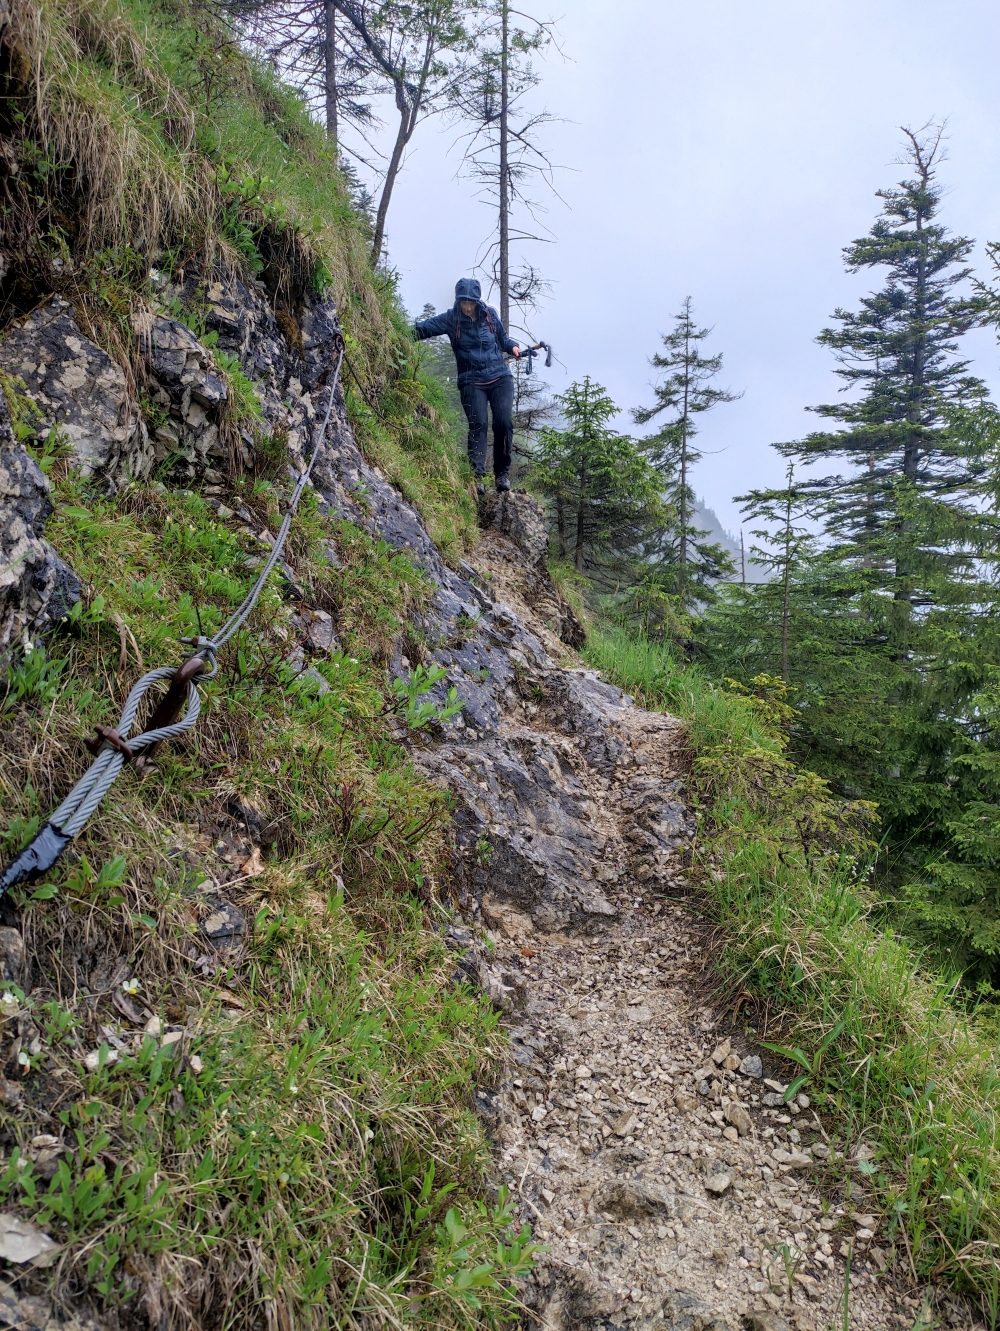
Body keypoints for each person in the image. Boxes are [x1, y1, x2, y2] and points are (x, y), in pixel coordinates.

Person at [413, 278, 521, 492]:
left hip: (500, 376)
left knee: (503, 423)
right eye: (464, 302)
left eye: (471, 302)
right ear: (458, 301)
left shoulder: (490, 314)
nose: (468, 307)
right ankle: (477, 477)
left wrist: (514, 347)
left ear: (477, 300)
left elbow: (502, 340)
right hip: (472, 380)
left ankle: (502, 475)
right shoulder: (450, 319)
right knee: (478, 425)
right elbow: (423, 329)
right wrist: (396, 332)